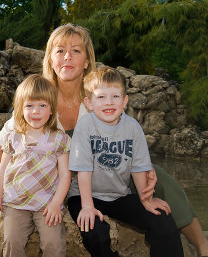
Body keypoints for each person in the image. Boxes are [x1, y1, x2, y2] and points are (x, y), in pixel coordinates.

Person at [0, 23, 208, 256]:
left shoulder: (100, 96)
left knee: (159, 177)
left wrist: (143, 166)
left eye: (76, 50)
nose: (68, 57)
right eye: (60, 51)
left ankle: (201, 245)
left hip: (107, 174)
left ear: (87, 60)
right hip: (56, 183)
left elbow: (125, 138)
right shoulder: (38, 99)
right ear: (50, 59)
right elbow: (1, 145)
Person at [68, 66, 183, 257]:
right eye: (101, 97)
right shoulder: (86, 125)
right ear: (89, 103)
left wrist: (147, 201)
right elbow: (84, 170)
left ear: (125, 101)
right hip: (84, 195)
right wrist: (87, 206)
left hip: (119, 195)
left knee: (162, 221)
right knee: (96, 233)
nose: (109, 103)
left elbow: (138, 167)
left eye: (115, 96)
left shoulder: (132, 127)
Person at [0, 74, 71, 256]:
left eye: (42, 105)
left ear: (52, 109)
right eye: (29, 106)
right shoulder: (12, 137)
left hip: (46, 203)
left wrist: (56, 203)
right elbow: (2, 170)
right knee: (12, 242)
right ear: (20, 108)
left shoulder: (59, 139)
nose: (36, 111)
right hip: (15, 202)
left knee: (54, 243)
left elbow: (65, 174)